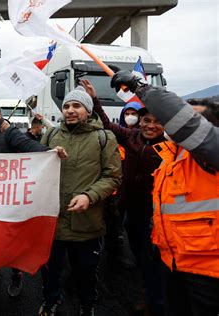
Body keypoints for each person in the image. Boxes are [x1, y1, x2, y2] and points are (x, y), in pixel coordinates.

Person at [112, 72, 219, 316]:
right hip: (174, 261)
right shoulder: (172, 156)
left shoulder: (210, 155)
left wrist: (141, 87)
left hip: (207, 271)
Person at [39, 86, 122, 316]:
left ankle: (87, 304)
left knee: (85, 271)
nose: (70, 110)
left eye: (76, 106)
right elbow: (35, 166)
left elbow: (113, 177)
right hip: (53, 222)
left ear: (87, 110)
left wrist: (89, 196)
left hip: (86, 223)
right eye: (66, 106)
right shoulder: (52, 135)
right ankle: (51, 300)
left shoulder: (104, 137)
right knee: (50, 269)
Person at [86, 78, 167, 314]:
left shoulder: (171, 147)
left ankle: (153, 299)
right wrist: (94, 99)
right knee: (139, 250)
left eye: (156, 122)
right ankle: (147, 289)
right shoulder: (131, 137)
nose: (149, 125)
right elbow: (108, 125)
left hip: (155, 212)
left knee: (153, 258)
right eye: (146, 120)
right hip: (129, 207)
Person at [0, 100, 67, 298]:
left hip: (8, 196)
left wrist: (50, 152)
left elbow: (29, 145)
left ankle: (16, 273)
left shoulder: (10, 133)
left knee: (11, 236)